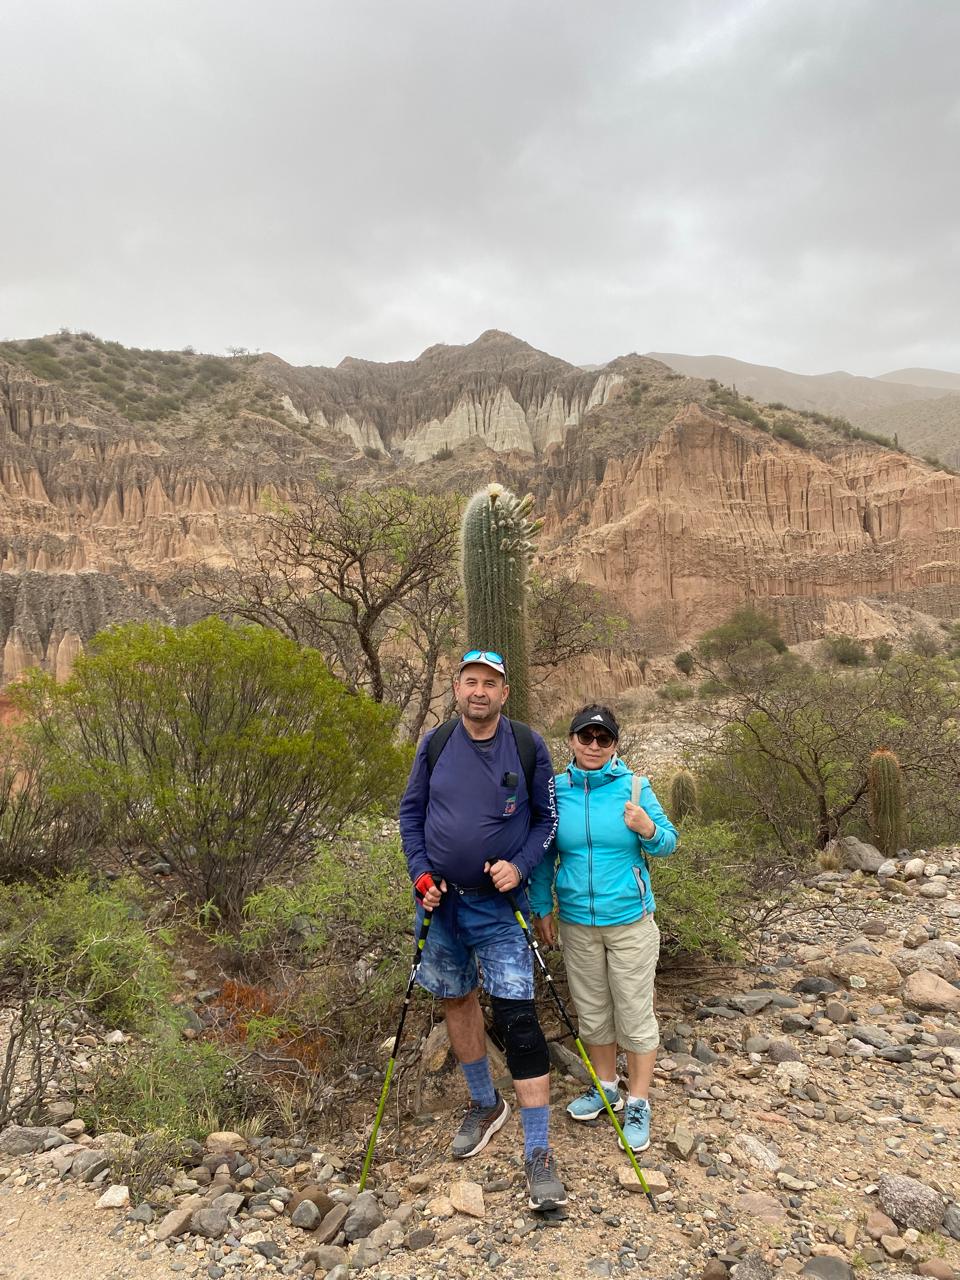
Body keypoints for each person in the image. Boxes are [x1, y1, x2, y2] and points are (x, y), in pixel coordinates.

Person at [399, 649, 566, 1211]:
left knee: (518, 1019)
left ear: (504, 692)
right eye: (470, 681)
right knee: (455, 999)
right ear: (456, 688)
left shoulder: (527, 744)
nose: (479, 691)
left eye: (489, 682)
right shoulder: (436, 742)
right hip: (441, 905)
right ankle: (484, 1103)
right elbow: (411, 815)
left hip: (500, 909)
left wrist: (519, 865)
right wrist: (420, 874)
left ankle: (538, 1151)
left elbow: (547, 821)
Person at [529, 704, 677, 1154]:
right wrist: (542, 907)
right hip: (576, 920)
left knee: (633, 1010)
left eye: (603, 738)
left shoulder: (635, 787)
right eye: (585, 737)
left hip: (630, 919)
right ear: (571, 740)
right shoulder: (555, 791)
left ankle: (638, 1101)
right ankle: (607, 1087)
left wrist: (647, 827)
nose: (594, 745)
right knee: (592, 1009)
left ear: (615, 743)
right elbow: (544, 856)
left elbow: (669, 841)